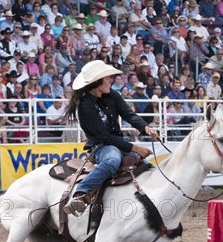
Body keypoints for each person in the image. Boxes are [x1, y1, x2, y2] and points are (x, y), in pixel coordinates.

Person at [63, 60, 159, 216]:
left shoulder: (112, 95)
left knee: (146, 166)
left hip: (117, 144)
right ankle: (80, 193)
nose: (110, 80)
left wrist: (145, 127)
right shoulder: (85, 107)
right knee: (112, 161)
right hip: (101, 147)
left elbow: (129, 114)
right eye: (106, 78)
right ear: (96, 82)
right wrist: (135, 148)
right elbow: (104, 137)